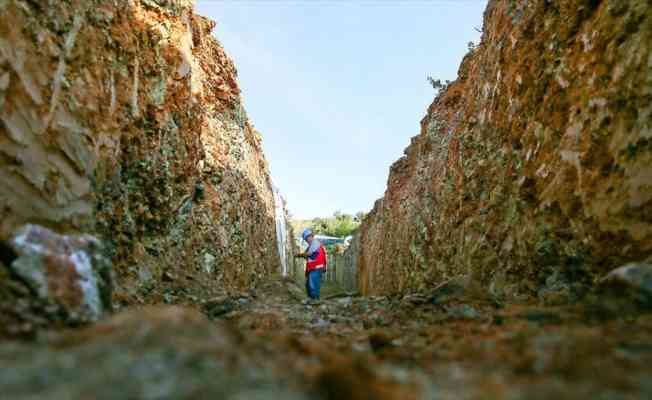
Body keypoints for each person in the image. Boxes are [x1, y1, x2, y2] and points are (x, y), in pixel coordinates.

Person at [296, 228, 326, 301]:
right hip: (313, 267)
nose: (307, 240)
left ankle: (315, 299)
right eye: (306, 239)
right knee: (309, 284)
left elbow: (308, 254)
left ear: (311, 236)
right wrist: (302, 254)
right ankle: (311, 298)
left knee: (313, 283)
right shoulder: (311, 245)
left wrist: (299, 255)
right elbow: (307, 254)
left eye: (307, 238)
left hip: (316, 267)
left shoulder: (315, 243)